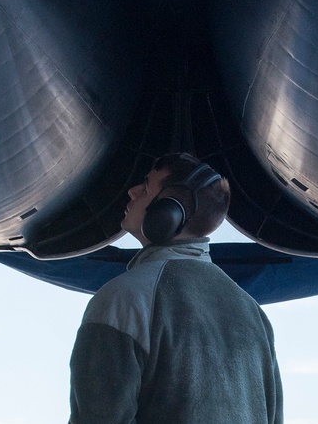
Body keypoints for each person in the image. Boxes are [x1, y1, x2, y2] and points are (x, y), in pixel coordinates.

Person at [69, 152, 283, 424]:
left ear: (168, 212)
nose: (132, 191)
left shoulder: (124, 299)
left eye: (146, 187)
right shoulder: (253, 313)